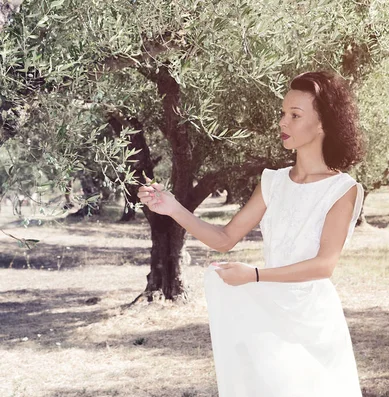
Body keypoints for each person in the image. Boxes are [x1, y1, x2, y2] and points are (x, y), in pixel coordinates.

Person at [138, 71, 365, 397]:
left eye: (295, 115)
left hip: (313, 320)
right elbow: (225, 238)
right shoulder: (273, 182)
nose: (283, 122)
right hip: (269, 313)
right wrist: (173, 208)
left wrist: (255, 275)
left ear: (323, 124)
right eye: (283, 113)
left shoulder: (342, 189)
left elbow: (324, 265)